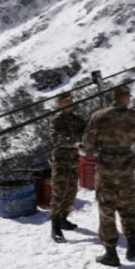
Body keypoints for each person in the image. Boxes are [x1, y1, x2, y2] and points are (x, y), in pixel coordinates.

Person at [83, 84, 135, 267]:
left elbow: (88, 142)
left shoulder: (98, 116)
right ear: (125, 98)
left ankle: (111, 253)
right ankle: (132, 247)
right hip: (126, 166)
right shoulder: (133, 116)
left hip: (106, 168)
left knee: (107, 210)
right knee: (128, 206)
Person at [48, 91, 86, 243]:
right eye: (65, 101)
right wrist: (73, 142)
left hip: (74, 161)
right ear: (60, 103)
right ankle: (55, 226)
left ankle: (63, 218)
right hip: (61, 161)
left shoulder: (77, 119)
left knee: (71, 192)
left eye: (71, 100)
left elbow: (85, 133)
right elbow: (56, 139)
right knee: (59, 193)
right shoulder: (57, 120)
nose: (69, 103)